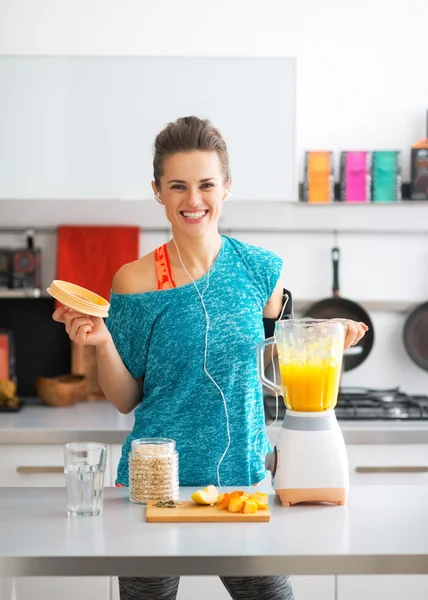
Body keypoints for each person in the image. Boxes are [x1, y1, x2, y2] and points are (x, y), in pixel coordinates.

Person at [53, 116, 368, 600]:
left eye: (206, 184)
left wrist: (328, 336)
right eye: (178, 186)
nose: (193, 200)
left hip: (242, 480)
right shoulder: (135, 280)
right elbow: (124, 399)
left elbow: (282, 355)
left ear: (227, 187)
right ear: (158, 191)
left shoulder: (261, 271)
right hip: (156, 481)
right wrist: (102, 343)